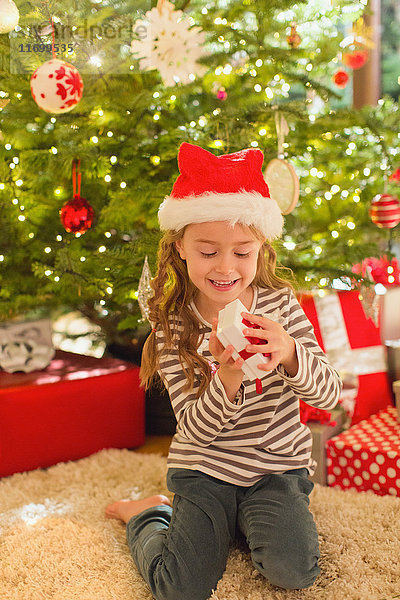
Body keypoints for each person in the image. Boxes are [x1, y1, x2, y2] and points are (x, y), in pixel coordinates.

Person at [105, 142, 342, 600]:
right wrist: (228, 376)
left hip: (275, 466)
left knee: (293, 571)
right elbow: (193, 431)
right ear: (180, 247)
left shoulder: (278, 306)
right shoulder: (173, 324)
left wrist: (290, 351)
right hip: (204, 467)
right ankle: (149, 513)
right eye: (208, 251)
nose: (225, 268)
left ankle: (243, 520)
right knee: (181, 588)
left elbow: (329, 395)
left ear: (260, 248)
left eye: (242, 252)